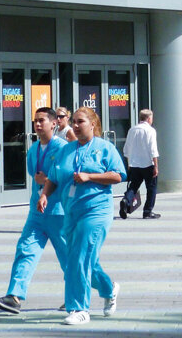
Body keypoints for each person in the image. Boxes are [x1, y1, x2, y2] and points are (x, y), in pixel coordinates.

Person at [39, 107, 126, 325]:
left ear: (93, 124)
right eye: (74, 122)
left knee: (79, 257)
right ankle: (108, 288)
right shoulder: (66, 150)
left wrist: (90, 176)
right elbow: (53, 177)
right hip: (71, 212)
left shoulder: (105, 148)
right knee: (82, 259)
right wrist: (44, 195)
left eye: (81, 122)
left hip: (96, 211)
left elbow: (118, 175)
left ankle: (79, 308)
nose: (75, 126)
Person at [0, 107, 68, 314]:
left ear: (54, 124)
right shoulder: (33, 150)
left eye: (42, 120)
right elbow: (34, 175)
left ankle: (90, 291)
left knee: (69, 256)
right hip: (37, 213)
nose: (38, 124)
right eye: (35, 121)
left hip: (58, 212)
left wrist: (47, 181)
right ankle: (14, 296)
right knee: (26, 250)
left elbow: (65, 178)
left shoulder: (62, 148)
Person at [121, 108, 160, 220]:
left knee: (134, 186)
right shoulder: (150, 130)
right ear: (148, 118)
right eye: (151, 118)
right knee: (151, 188)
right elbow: (153, 149)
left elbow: (126, 149)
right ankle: (147, 211)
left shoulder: (132, 130)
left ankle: (126, 200)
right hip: (148, 163)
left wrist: (129, 164)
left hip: (134, 164)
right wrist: (156, 166)